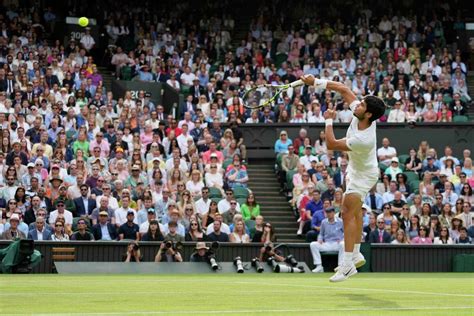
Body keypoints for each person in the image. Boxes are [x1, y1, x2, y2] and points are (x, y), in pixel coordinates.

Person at [301, 74, 385, 282]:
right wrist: (316, 82)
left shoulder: (362, 139)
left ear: (369, 114)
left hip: (364, 175)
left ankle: (347, 265)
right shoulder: (361, 113)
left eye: (362, 105)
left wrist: (328, 119)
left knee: (346, 213)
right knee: (353, 212)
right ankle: (355, 254)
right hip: (356, 170)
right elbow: (343, 88)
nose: (357, 105)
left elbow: (330, 144)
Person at [310, 207, 344, 273]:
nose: (329, 214)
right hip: (327, 244)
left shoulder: (341, 221)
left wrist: (342, 239)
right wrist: (320, 239)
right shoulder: (323, 222)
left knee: (343, 244)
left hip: (337, 244)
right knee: (313, 244)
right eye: (327, 212)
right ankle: (319, 266)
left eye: (330, 212)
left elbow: (346, 233)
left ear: (334, 213)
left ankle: (340, 266)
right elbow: (321, 234)